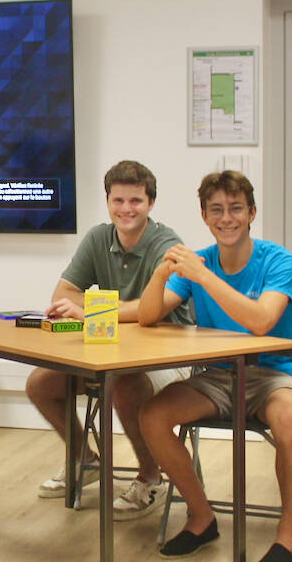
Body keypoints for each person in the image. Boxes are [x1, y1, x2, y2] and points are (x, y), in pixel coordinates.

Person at [137, 169, 292, 562]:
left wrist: (202, 276)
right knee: (153, 414)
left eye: (235, 208)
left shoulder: (279, 260)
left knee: (287, 420)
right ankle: (202, 517)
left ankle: (290, 533)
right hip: (218, 376)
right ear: (204, 216)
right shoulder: (201, 261)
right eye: (216, 210)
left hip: (275, 373)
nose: (226, 218)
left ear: (252, 213)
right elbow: (147, 316)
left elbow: (261, 321)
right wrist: (162, 273)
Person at [25, 160, 194, 519]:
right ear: (107, 201)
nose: (126, 209)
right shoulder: (98, 238)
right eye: (118, 201)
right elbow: (65, 293)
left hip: (170, 359)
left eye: (135, 201)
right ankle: (85, 461)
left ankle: (151, 478)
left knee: (125, 386)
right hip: (113, 352)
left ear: (150, 204)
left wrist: (95, 311)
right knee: (41, 383)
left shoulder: (168, 243)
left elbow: (156, 311)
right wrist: (107, 311)